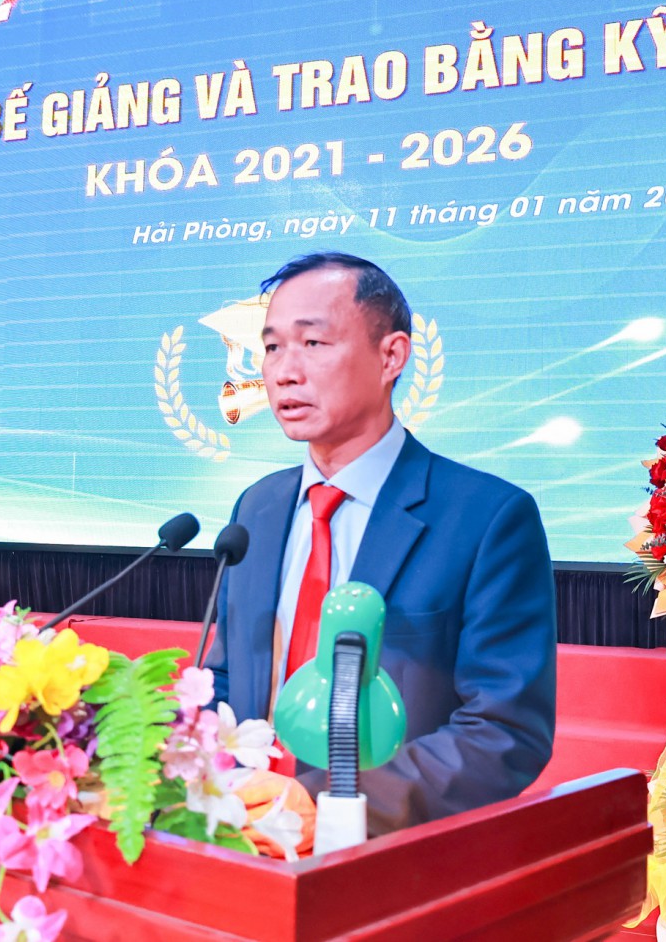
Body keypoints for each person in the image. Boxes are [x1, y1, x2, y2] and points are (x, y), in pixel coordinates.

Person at [206, 251, 556, 835]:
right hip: (241, 837)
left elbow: (505, 730)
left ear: (391, 356)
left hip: (385, 851)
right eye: (271, 347)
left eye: (312, 343)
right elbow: (223, 680)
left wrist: (326, 803)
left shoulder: (487, 517)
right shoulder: (257, 510)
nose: (284, 371)